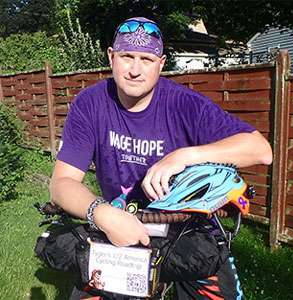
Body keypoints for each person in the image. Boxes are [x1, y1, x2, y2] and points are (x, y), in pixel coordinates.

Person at [50, 17, 272, 300]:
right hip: (120, 225)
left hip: (187, 228)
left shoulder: (185, 105)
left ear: (161, 63)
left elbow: (260, 150)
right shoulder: (90, 104)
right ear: (110, 57)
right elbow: (62, 183)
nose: (135, 70)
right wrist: (102, 214)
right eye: (126, 56)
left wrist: (184, 156)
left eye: (146, 59)